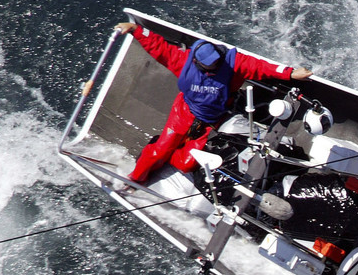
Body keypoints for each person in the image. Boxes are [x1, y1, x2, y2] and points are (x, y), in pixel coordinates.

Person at [112, 21, 312, 186]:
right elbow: (157, 46)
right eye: (210, 66)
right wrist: (136, 30)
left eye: (217, 64)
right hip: (184, 113)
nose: (215, 68)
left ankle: (172, 151)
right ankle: (134, 180)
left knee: (188, 163)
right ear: (198, 63)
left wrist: (291, 73)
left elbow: (261, 67)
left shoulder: (234, 62)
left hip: (211, 121)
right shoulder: (181, 60)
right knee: (159, 151)